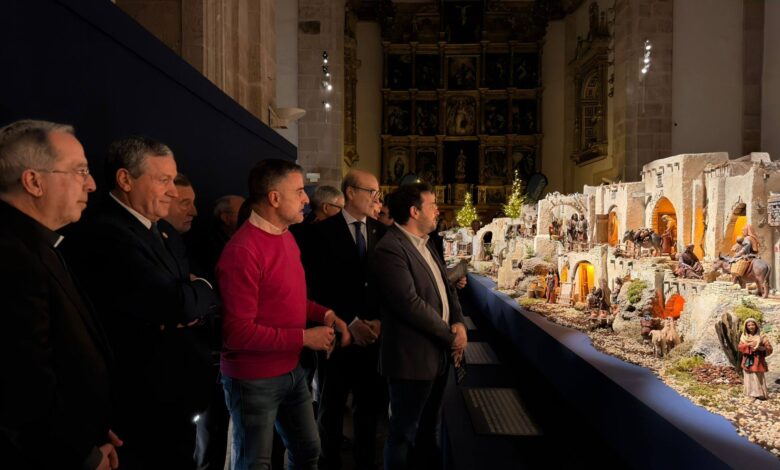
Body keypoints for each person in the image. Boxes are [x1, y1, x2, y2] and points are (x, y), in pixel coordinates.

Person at [67, 136, 220, 469]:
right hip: (136, 405)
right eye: (163, 180)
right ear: (125, 179)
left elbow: (193, 297)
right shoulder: (105, 232)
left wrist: (194, 293)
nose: (173, 192)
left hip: (176, 398)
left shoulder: (164, 231)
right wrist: (194, 293)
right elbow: (177, 304)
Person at [0, 119, 121, 470]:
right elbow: (22, 387)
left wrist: (91, 429)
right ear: (34, 182)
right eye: (80, 171)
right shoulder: (10, 254)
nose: (92, 184)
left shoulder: (38, 244)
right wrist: (82, 453)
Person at [216, 158, 351, 470]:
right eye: (299, 191)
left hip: (290, 370)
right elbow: (237, 333)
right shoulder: (243, 251)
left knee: (308, 450)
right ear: (274, 198)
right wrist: (304, 338)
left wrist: (326, 314)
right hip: (253, 378)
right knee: (254, 463)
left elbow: (290, 299)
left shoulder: (286, 235)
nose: (306, 199)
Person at [370, 182, 467, 470]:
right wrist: (450, 336)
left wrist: (459, 322)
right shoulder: (390, 248)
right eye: (432, 205)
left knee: (428, 431)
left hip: (437, 356)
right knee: (403, 433)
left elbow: (447, 288)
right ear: (414, 211)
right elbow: (409, 304)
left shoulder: (427, 242)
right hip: (411, 359)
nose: (438, 210)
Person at [301, 170, 387, 470]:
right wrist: (349, 322)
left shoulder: (381, 232)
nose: (376, 198)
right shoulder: (321, 232)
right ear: (350, 192)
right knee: (332, 406)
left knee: (368, 407)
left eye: (378, 193)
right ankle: (329, 462)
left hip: (372, 335)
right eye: (371, 191)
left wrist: (378, 321)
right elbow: (317, 286)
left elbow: (387, 284)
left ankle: (365, 462)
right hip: (337, 335)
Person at [738, 318, 773, 400]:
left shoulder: (761, 335)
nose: (751, 327)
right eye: (749, 325)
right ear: (746, 327)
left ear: (756, 325)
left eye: (752, 325)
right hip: (747, 359)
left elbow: (769, 348)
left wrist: (760, 348)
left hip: (758, 359)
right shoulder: (744, 336)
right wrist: (748, 345)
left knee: (757, 376)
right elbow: (740, 347)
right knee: (749, 376)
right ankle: (750, 393)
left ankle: (760, 394)